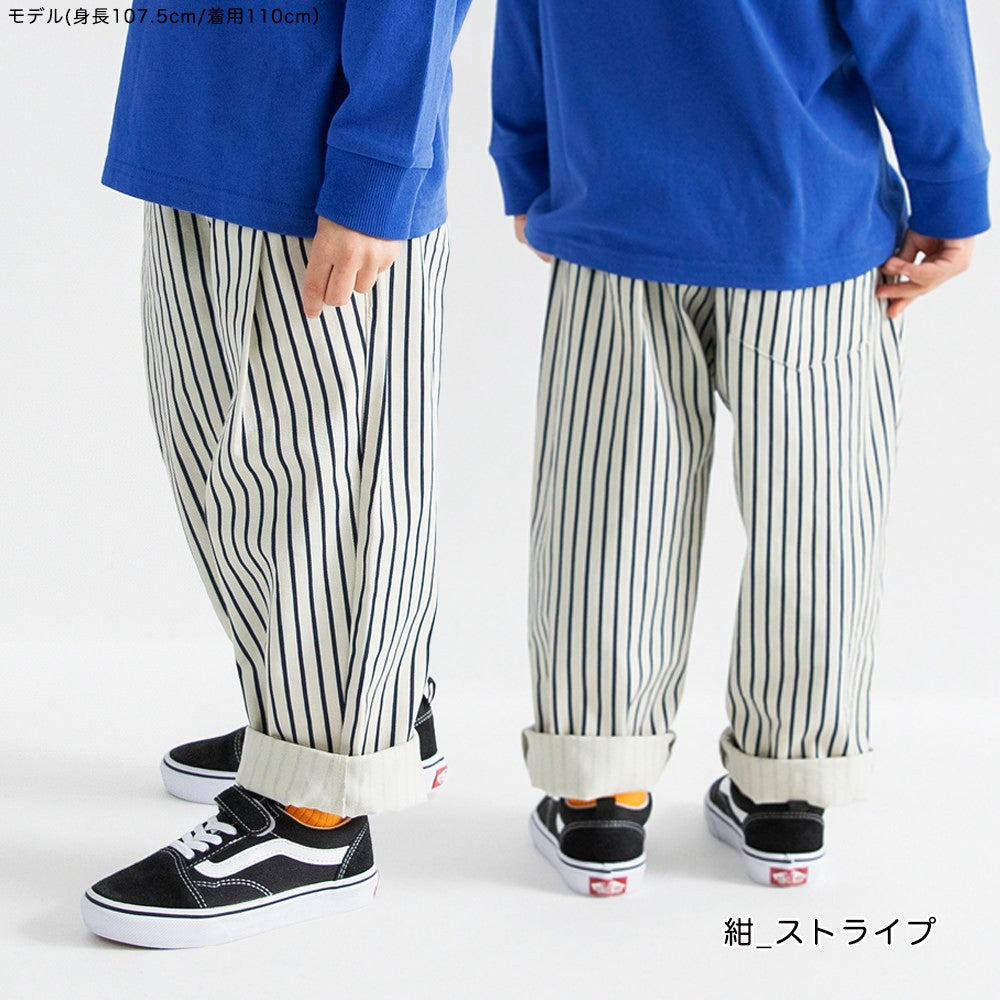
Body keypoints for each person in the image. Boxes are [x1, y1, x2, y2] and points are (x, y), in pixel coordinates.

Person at [490, 0, 990, 894]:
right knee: (817, 519)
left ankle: (602, 797)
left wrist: (526, 163)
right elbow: (909, 18)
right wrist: (950, 189)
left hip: (615, 213)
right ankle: (788, 794)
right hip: (808, 221)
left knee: (607, 519)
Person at [81, 1, 470, 947]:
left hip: (315, 141)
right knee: (224, 467)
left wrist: (379, 166)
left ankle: (318, 820)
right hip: (195, 111)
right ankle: (334, 723)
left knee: (326, 488)